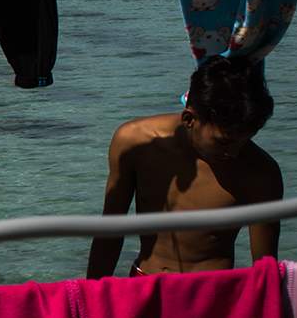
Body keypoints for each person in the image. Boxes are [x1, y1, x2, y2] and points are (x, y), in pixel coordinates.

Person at [86, 58, 282, 279]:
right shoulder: (135, 143)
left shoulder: (260, 173)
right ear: (190, 119)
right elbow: (109, 234)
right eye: (224, 142)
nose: (235, 152)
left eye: (245, 140)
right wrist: (90, 299)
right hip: (144, 283)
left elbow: (265, 270)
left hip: (214, 294)